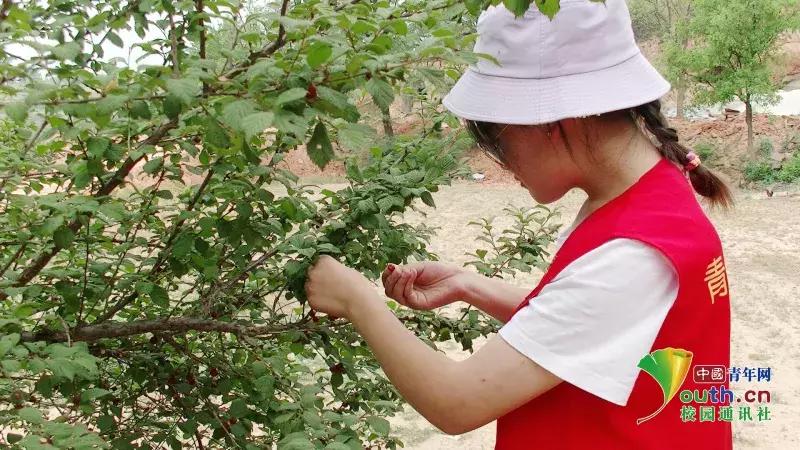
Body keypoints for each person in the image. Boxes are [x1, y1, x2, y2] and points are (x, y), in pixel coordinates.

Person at [305, 1, 733, 448]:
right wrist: (469, 285)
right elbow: (589, 322)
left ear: (552, 121)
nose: (500, 160)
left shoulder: (633, 253)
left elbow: (456, 403)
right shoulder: (649, 193)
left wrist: (357, 300)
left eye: (495, 135)